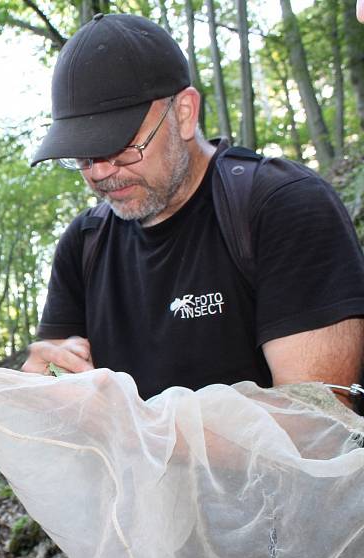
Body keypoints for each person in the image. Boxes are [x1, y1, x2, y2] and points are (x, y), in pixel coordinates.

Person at [22, 13, 364, 406]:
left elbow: (314, 425)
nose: (100, 173)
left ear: (184, 113)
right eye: (82, 155)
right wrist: (39, 382)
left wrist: (136, 430)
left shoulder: (284, 207)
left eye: (121, 145)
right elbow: (52, 405)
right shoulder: (83, 244)